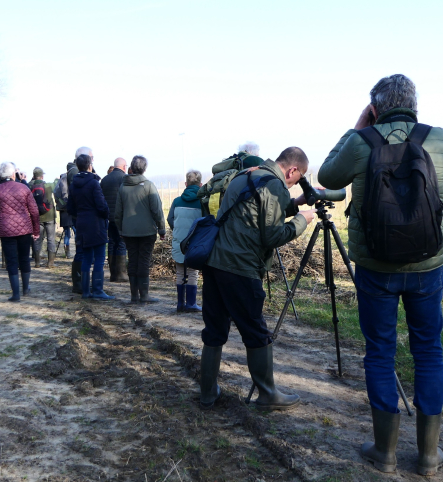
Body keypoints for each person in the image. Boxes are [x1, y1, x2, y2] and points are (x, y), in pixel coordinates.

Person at [318, 74, 443, 476]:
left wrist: (357, 127)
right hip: (428, 264)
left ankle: (385, 451)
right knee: (428, 350)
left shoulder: (361, 142)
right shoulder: (440, 138)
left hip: (376, 266)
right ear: (414, 104)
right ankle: (428, 455)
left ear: (375, 108)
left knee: (379, 350)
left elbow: (328, 177)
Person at [199, 147, 316, 411]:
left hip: (215, 262)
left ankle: (207, 392)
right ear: (292, 170)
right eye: (297, 179)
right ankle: (267, 394)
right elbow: (272, 236)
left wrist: (294, 204)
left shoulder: (248, 174)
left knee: (215, 330)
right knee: (255, 331)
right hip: (240, 267)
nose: (294, 184)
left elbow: (253, 212)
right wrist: (302, 220)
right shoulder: (274, 184)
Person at [113, 155, 165, 304]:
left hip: (128, 231)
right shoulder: (148, 186)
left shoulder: (123, 187)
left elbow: (118, 213)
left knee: (132, 260)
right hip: (147, 231)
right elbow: (157, 210)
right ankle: (144, 295)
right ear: (144, 168)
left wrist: (121, 230)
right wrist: (161, 229)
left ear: (131, 167)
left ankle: (134, 295)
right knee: (143, 261)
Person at [0, 162, 40, 302]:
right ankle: (26, 288)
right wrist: (36, 230)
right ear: (13, 174)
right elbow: (34, 211)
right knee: (24, 258)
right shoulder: (23, 188)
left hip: (6, 230)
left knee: (11, 261)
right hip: (24, 228)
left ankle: (16, 294)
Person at [66, 154, 114, 300]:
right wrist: (106, 215)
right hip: (96, 224)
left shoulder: (73, 184)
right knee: (99, 257)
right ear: (89, 166)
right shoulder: (93, 183)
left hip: (81, 223)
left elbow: (70, 207)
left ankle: (86, 291)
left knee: (86, 258)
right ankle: (98, 290)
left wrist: (81, 215)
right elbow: (101, 205)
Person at [167, 170, 204, 312]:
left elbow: (170, 219)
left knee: (180, 273)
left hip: (179, 241)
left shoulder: (177, 201)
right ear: (201, 184)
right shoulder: (202, 202)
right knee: (193, 272)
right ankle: (191, 304)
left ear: (185, 184)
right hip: (195, 242)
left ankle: (180, 304)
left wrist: (177, 230)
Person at [67, 146, 94, 294]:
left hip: (79, 217)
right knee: (82, 250)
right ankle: (79, 283)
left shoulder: (75, 173)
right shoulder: (77, 174)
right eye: (91, 158)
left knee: (83, 250)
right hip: (83, 218)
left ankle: (81, 282)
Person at [100, 157, 129, 282]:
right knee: (121, 243)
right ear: (124, 167)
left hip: (108, 217)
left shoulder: (105, 179)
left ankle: (113, 274)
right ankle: (121, 274)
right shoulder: (125, 179)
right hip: (121, 217)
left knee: (111, 243)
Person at [29, 167, 57, 268]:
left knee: (37, 239)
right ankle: (50, 263)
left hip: (37, 217)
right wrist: (57, 179)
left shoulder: (30, 186)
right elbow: (56, 184)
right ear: (42, 176)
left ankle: (37, 262)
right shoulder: (48, 186)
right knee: (51, 239)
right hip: (49, 216)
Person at [54, 169, 74, 258]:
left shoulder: (59, 182)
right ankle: (78, 251)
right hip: (70, 210)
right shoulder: (67, 180)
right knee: (76, 231)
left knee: (67, 233)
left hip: (63, 211)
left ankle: (67, 253)